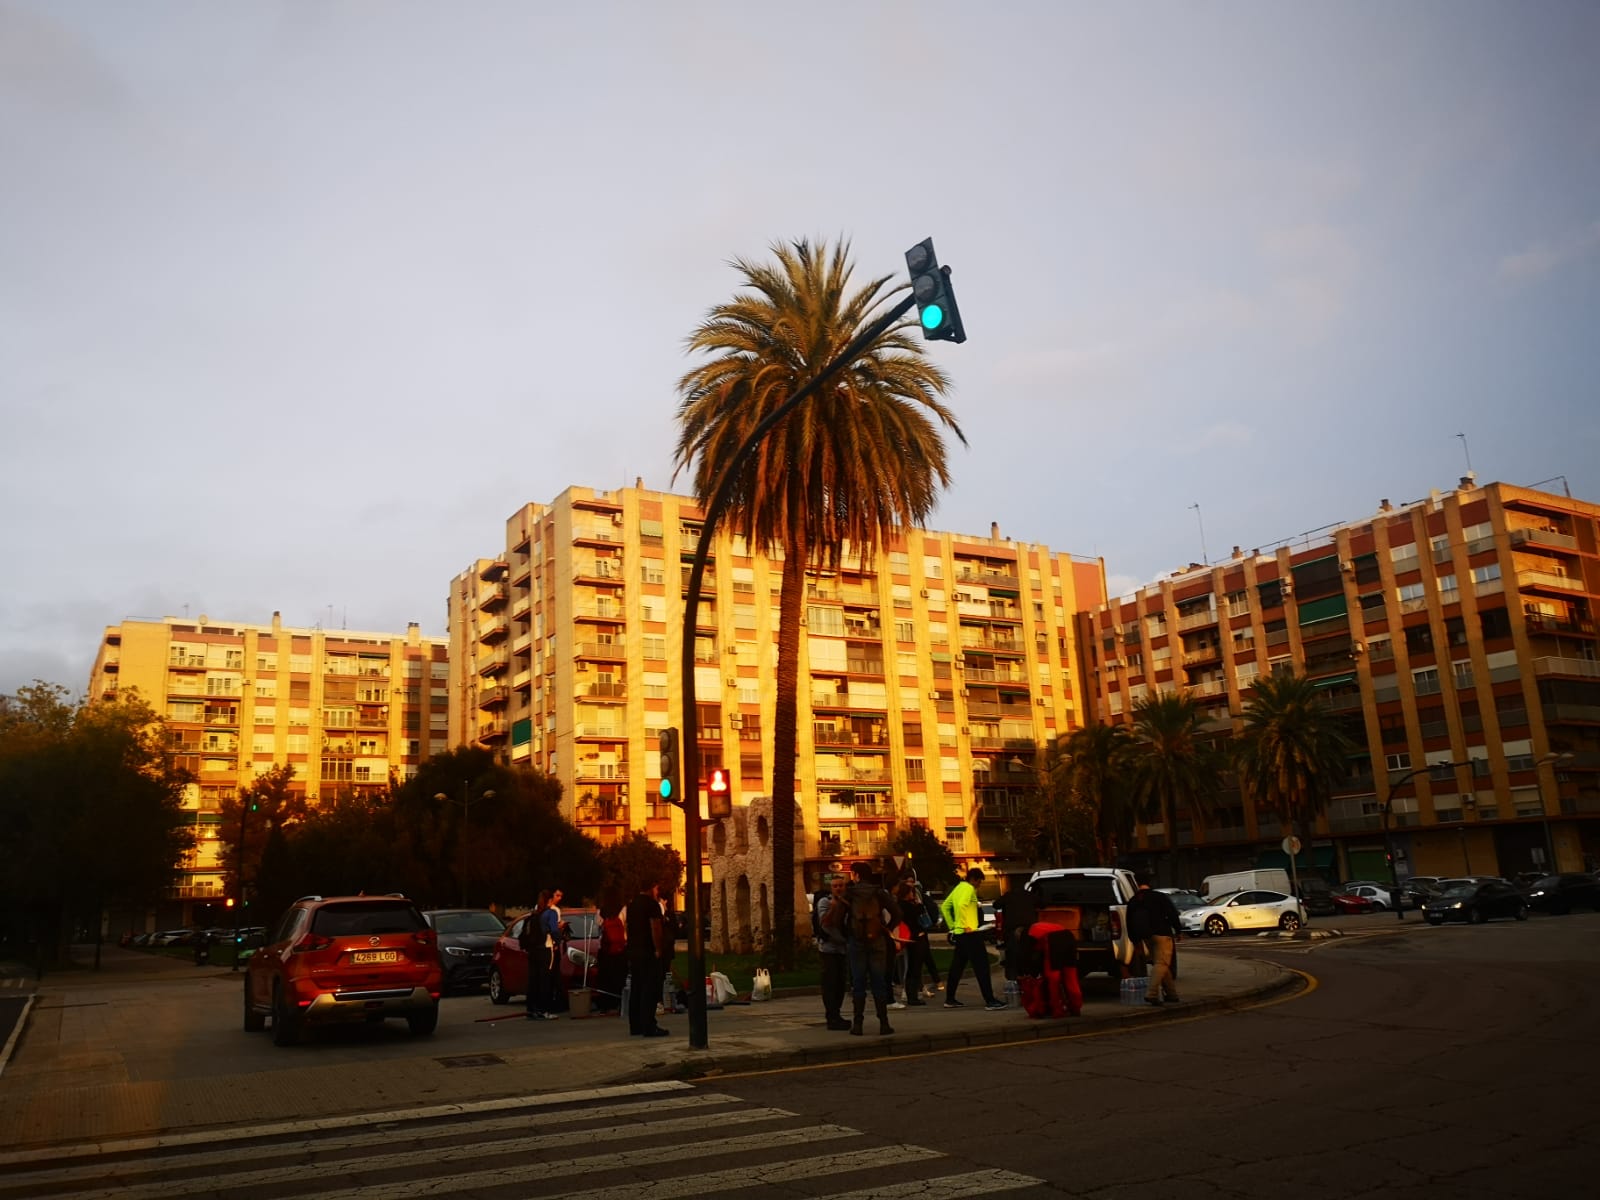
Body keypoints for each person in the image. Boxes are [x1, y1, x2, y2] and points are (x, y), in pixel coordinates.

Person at [844, 860, 901, 1035]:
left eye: (852, 874)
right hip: (878, 941)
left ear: (857, 875)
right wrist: (887, 929)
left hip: (857, 942)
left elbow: (839, 917)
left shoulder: (850, 893)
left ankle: (858, 1024)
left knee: (859, 983)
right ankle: (884, 1023)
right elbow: (898, 913)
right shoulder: (879, 893)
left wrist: (847, 935)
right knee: (879, 982)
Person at [940, 867, 1005, 1011]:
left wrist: (953, 926)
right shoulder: (969, 889)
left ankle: (950, 999)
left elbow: (945, 906)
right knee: (982, 967)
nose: (979, 885)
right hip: (970, 933)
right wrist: (966, 925)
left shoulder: (958, 888)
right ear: (974, 879)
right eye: (979, 882)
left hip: (960, 934)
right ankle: (990, 1000)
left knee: (957, 967)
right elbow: (963, 905)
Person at [1125, 874, 1182, 1006]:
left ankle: (1171, 994)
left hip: (1145, 936)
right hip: (1162, 934)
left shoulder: (1133, 900)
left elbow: (1129, 922)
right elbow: (1172, 913)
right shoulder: (1159, 897)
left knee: (1161, 963)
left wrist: (1135, 941)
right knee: (1162, 963)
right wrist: (1178, 930)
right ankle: (1151, 993)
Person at [625, 883, 669, 1037]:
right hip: (648, 951)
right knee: (649, 988)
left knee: (636, 987)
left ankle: (635, 1025)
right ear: (651, 888)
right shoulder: (652, 905)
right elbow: (655, 927)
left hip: (634, 951)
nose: (658, 892)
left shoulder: (632, 905)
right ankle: (649, 1025)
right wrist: (658, 948)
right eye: (657, 888)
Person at [815, 874, 851, 1030]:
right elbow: (825, 925)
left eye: (841, 885)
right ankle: (832, 1016)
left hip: (842, 950)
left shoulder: (848, 903)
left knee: (840, 983)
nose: (838, 888)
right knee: (830, 983)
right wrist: (835, 906)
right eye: (835, 886)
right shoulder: (825, 902)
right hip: (829, 949)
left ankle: (836, 1014)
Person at [897, 879, 941, 1000]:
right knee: (914, 968)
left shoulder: (901, 905)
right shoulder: (908, 906)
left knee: (913, 967)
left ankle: (913, 993)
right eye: (911, 892)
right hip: (914, 938)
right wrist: (918, 903)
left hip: (911, 938)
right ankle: (912, 995)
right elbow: (919, 911)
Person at [520, 892, 558, 1021]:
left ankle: (531, 1008)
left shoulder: (534, 913)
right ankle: (545, 1009)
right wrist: (558, 941)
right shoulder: (550, 913)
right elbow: (554, 930)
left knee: (533, 979)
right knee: (545, 979)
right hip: (545, 948)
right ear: (550, 900)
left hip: (533, 950)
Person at [995, 873, 1038, 983]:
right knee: (1029, 955)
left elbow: (996, 905)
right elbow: (1042, 904)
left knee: (1013, 956)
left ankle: (1015, 979)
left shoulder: (1008, 896)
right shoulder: (1030, 896)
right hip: (1029, 930)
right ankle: (1030, 977)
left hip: (1012, 930)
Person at [595, 897, 627, 1015]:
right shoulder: (622, 909)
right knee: (619, 977)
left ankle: (605, 1005)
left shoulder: (601, 911)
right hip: (619, 950)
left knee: (605, 978)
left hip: (605, 950)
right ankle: (619, 1003)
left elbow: (597, 927)